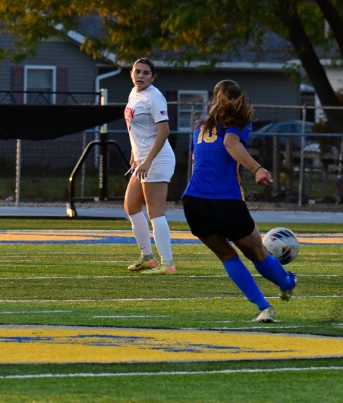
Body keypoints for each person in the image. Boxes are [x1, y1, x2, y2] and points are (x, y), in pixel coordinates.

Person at [181, 80, 297, 322]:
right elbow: (229, 143)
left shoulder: (199, 127)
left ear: (213, 100)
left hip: (194, 201)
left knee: (227, 256)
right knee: (258, 253)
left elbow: (201, 159)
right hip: (225, 200)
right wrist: (257, 168)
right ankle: (287, 283)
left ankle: (264, 307)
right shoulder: (237, 122)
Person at [123, 58, 176, 274]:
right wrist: (134, 154)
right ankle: (147, 258)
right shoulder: (134, 93)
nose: (141, 76)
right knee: (131, 207)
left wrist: (147, 160)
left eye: (146, 73)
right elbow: (136, 129)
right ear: (131, 73)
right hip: (142, 160)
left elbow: (164, 131)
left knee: (155, 212)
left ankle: (168, 263)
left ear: (152, 77)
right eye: (137, 71)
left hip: (157, 159)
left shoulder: (154, 96)